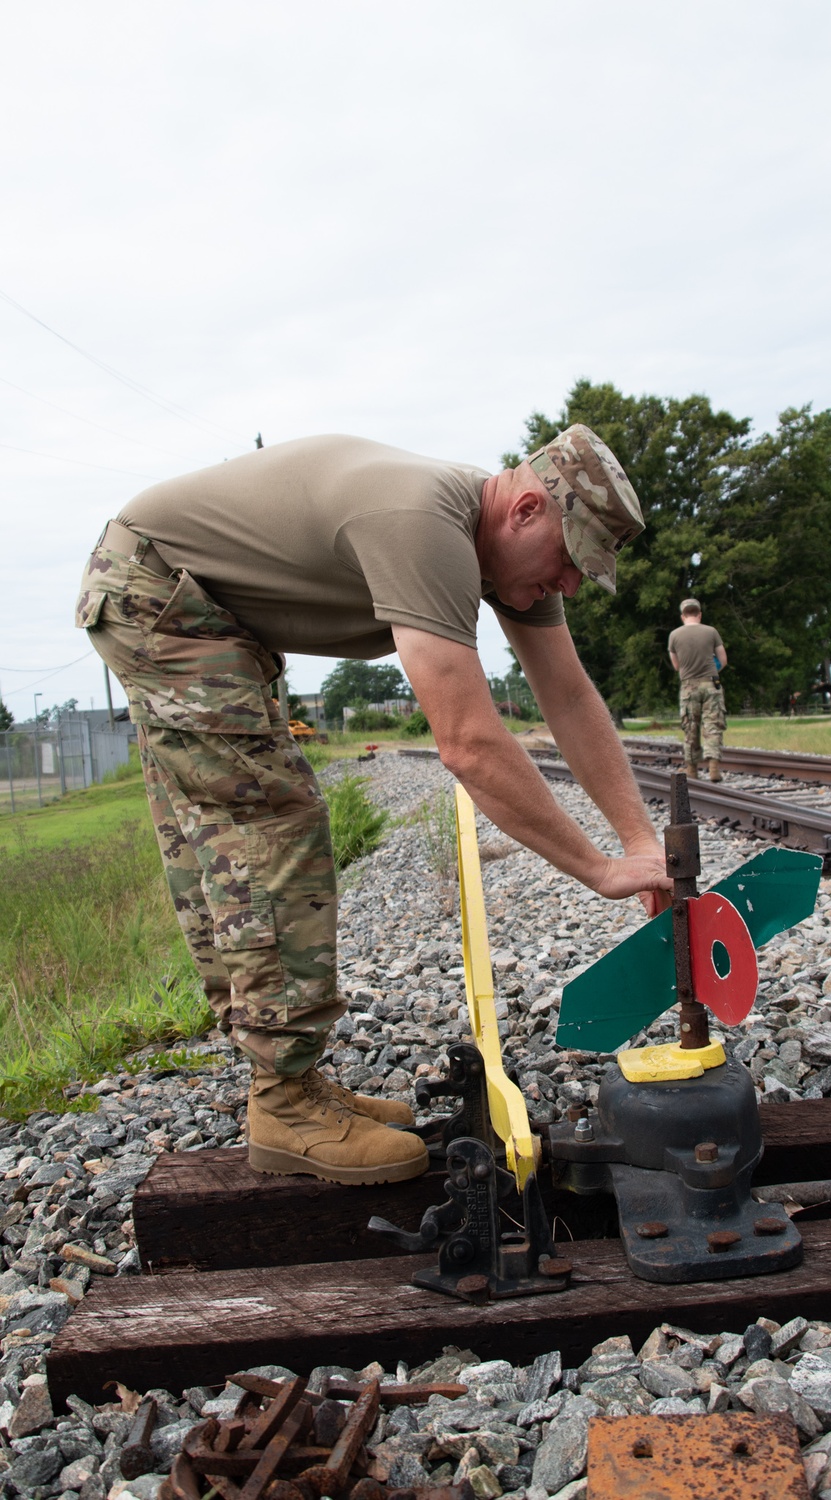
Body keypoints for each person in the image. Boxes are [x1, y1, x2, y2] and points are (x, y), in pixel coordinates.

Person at [75, 425, 672, 1186]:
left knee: (226, 830)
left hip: (179, 594)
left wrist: (639, 840)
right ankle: (283, 1101)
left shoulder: (496, 548)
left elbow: (568, 694)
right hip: (158, 590)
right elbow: (469, 743)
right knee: (268, 824)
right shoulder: (426, 528)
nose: (573, 586)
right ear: (525, 509)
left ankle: (286, 1078)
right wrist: (596, 868)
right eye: (568, 561)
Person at [668, 598, 727, 782]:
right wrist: (711, 670)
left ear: (683, 615)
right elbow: (723, 660)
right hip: (711, 684)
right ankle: (714, 768)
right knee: (713, 726)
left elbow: (676, 666)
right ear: (699, 614)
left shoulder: (674, 635)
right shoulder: (711, 632)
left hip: (689, 686)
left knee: (691, 727)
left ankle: (692, 770)